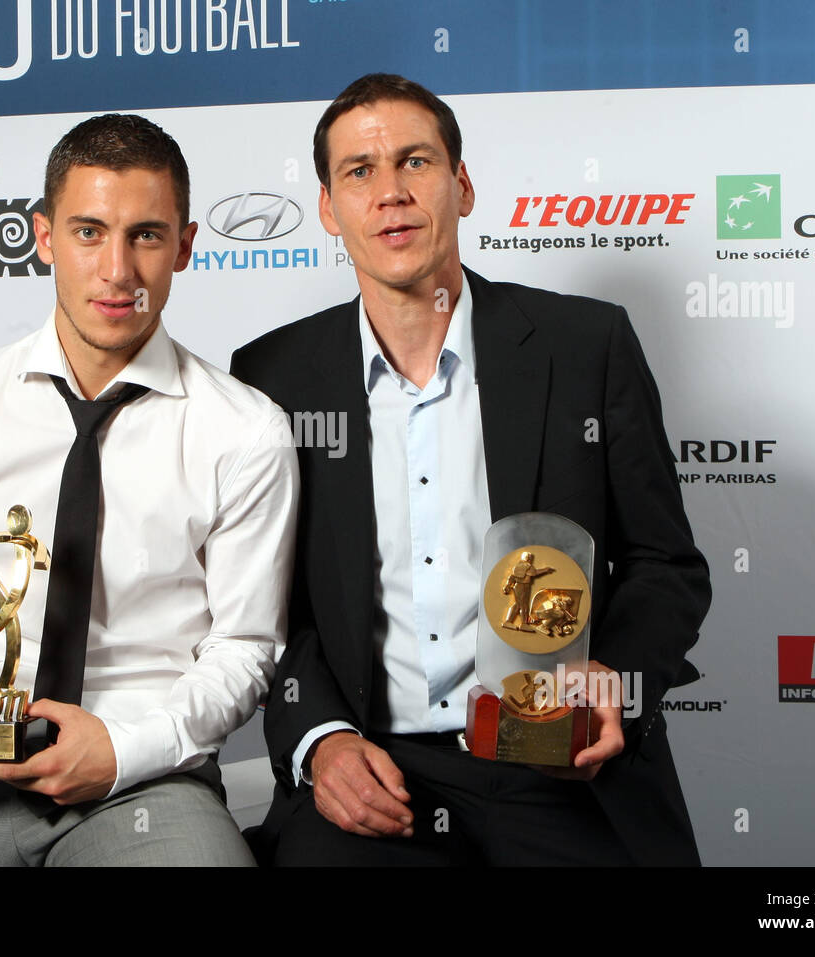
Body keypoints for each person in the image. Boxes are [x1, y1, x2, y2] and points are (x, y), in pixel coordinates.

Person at [230, 74, 711, 866]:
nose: (390, 194)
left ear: (462, 185)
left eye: (415, 163)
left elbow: (668, 565)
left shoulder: (586, 345)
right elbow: (267, 608)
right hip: (377, 763)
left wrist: (612, 676)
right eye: (359, 172)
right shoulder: (274, 376)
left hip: (555, 758)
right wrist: (320, 741)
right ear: (327, 209)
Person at [0, 114, 298, 866]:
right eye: (89, 232)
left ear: (185, 247)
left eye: (146, 236)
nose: (117, 270)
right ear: (43, 238)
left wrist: (120, 750)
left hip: (148, 780)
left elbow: (244, 649)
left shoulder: (243, 429)